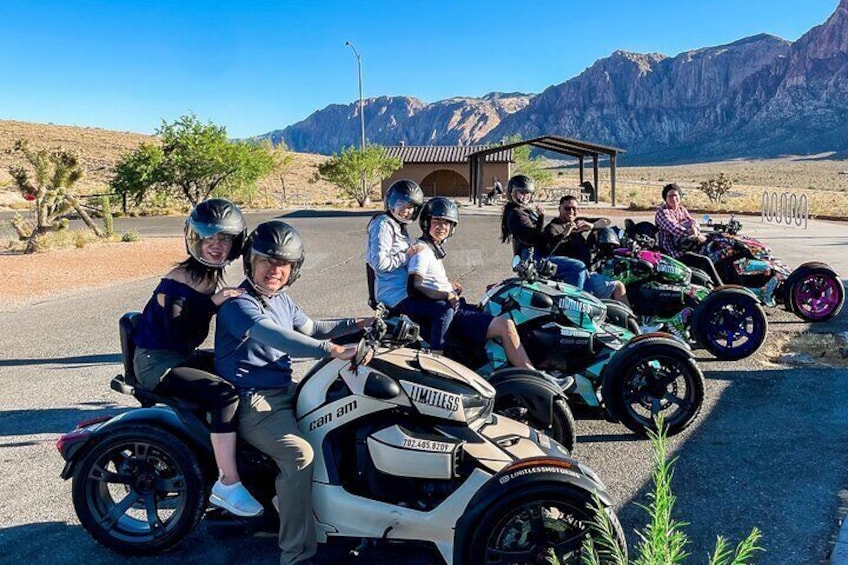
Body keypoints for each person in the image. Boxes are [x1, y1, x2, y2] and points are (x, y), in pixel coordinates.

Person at [215, 220, 371, 565]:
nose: (274, 269)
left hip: (285, 390)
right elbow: (273, 336)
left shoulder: (282, 300)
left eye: (282, 263)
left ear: (292, 269)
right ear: (250, 262)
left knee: (349, 419)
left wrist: (363, 324)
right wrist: (330, 349)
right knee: (299, 455)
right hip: (254, 399)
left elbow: (313, 328)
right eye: (266, 260)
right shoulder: (239, 303)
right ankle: (296, 554)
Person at [133, 198, 262, 517]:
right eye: (209, 238)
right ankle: (228, 483)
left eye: (225, 239)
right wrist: (215, 302)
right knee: (223, 395)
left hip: (179, 356)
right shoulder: (179, 278)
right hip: (158, 364)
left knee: (239, 368)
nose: (216, 246)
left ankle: (239, 458)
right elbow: (176, 331)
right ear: (196, 239)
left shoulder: (209, 273)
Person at [409, 197, 534, 368]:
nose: (442, 226)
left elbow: (430, 281)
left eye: (447, 223)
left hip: (454, 306)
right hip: (451, 310)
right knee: (506, 325)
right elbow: (416, 285)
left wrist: (448, 284)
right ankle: (532, 374)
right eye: (437, 220)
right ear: (426, 222)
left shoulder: (430, 249)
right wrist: (446, 293)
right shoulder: (422, 250)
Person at [365, 179, 453, 349]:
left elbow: (371, 263)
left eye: (411, 207)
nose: (406, 211)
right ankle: (438, 357)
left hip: (402, 292)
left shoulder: (398, 226)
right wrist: (407, 255)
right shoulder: (383, 223)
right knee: (443, 310)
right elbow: (378, 263)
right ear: (391, 203)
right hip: (396, 295)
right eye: (402, 205)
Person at [500, 174, 588, 289]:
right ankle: (574, 301)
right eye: (521, 193)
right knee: (577, 267)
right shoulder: (517, 214)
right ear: (512, 192)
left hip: (532, 256)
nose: (525, 196)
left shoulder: (521, 210)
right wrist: (542, 218)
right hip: (532, 259)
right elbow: (533, 238)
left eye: (527, 193)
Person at [542, 194, 630, 307]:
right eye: (567, 208)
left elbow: (606, 221)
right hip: (572, 276)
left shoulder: (578, 222)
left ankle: (628, 321)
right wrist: (565, 233)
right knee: (617, 286)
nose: (571, 211)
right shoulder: (553, 227)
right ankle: (631, 322)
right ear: (559, 209)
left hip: (587, 270)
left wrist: (592, 226)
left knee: (618, 282)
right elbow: (549, 249)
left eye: (574, 208)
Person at [654, 183, 724, 287]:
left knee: (715, 251)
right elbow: (674, 229)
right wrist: (693, 233)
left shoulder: (681, 209)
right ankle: (721, 289)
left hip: (686, 246)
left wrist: (695, 229)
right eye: (670, 196)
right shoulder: (662, 213)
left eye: (676, 195)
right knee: (705, 261)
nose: (673, 198)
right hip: (673, 253)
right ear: (665, 198)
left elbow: (692, 221)